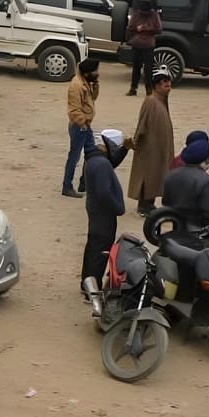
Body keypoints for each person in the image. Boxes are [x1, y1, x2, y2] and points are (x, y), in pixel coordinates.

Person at [82, 129, 127, 284]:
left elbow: (111, 161)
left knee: (93, 247)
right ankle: (93, 287)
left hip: (95, 211)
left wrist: (125, 149)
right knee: (100, 251)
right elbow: (104, 192)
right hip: (103, 214)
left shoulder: (94, 159)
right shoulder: (101, 164)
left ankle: (87, 283)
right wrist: (118, 208)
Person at [126, 73, 175, 214]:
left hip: (158, 148)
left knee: (157, 175)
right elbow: (142, 124)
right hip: (149, 148)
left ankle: (149, 204)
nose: (168, 85)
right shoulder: (151, 101)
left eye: (169, 82)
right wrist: (136, 141)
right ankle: (144, 206)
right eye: (164, 83)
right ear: (156, 85)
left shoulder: (161, 100)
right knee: (148, 176)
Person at [162, 136, 209, 230]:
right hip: (198, 229)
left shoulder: (171, 175)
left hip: (176, 226)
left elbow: (166, 202)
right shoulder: (206, 180)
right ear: (206, 159)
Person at [64, 56, 99, 197]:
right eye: (95, 71)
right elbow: (74, 110)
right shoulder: (76, 85)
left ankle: (84, 184)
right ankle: (67, 186)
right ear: (86, 73)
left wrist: (95, 85)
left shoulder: (85, 82)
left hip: (85, 125)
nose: (98, 73)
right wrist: (82, 124)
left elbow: (93, 98)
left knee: (91, 154)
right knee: (74, 157)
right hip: (80, 126)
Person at [125, 0, 162, 96]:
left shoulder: (153, 15)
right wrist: (138, 28)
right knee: (137, 67)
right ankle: (134, 88)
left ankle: (148, 89)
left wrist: (146, 28)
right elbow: (130, 27)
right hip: (139, 43)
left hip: (148, 43)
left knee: (148, 68)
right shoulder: (138, 14)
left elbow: (158, 29)